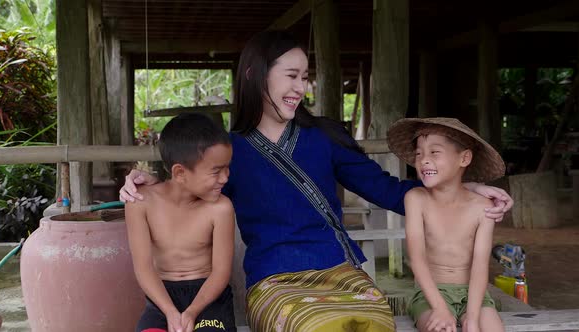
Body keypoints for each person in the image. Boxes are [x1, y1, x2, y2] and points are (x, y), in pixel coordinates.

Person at [120, 31, 513, 332]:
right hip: (274, 280)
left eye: (305, 78)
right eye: (291, 76)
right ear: (256, 75)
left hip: (341, 271)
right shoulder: (230, 150)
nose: (301, 88)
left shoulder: (323, 137)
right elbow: (185, 185)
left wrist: (463, 188)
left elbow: (388, 192)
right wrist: (143, 182)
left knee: (373, 324)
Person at [387, 117, 505, 332]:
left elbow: (480, 266)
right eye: (419, 153)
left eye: (435, 152)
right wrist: (440, 308)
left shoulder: (482, 207)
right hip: (430, 295)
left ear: (464, 158)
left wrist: (473, 315)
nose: (424, 160)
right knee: (441, 328)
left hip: (474, 294)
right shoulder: (416, 199)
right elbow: (417, 260)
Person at [125, 113, 236, 332]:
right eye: (216, 171)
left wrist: (192, 311)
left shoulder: (221, 208)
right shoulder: (140, 202)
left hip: (209, 298)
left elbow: (221, 272)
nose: (225, 178)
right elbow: (144, 268)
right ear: (180, 172)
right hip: (162, 298)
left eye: (227, 167)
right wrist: (169, 311)